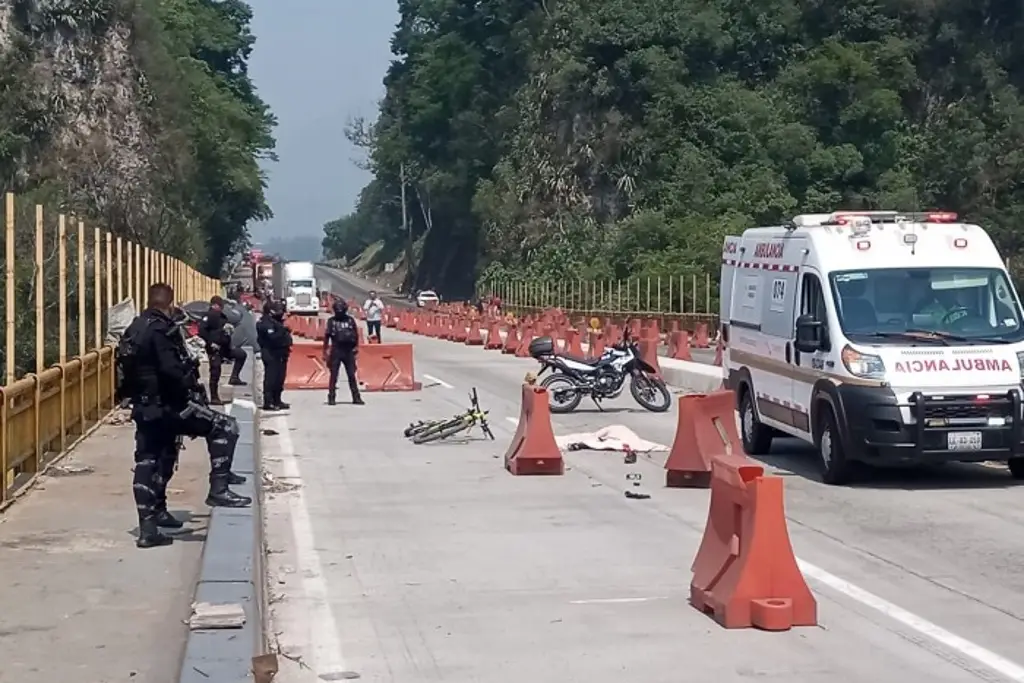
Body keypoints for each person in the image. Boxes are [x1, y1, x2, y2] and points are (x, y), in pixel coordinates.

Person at [121, 284, 250, 549]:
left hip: (144, 408)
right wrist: (188, 380)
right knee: (225, 427)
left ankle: (150, 524)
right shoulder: (161, 331)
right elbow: (172, 371)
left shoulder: (134, 328)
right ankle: (219, 489)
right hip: (170, 405)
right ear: (169, 304)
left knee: (151, 458)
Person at [198, 296, 247, 404]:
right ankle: (214, 397)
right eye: (220, 306)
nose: (221, 308)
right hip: (214, 349)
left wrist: (228, 331)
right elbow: (202, 332)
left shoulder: (221, 316)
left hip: (225, 348)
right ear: (214, 305)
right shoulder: (208, 316)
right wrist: (211, 343)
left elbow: (223, 328)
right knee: (215, 371)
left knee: (241, 354)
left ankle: (234, 377)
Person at [323, 299, 364, 405]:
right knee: (334, 375)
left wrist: (356, 347)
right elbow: (327, 336)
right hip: (336, 349)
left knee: (351, 375)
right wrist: (325, 350)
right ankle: (331, 397)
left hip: (348, 350)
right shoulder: (331, 321)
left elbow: (356, 334)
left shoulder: (350, 320)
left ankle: (356, 397)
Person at [257, 299, 292, 410]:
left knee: (280, 378)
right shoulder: (265, 323)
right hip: (270, 353)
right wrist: (283, 331)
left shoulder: (277, 322)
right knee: (271, 378)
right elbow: (272, 338)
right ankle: (268, 402)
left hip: (281, 353)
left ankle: (277, 400)